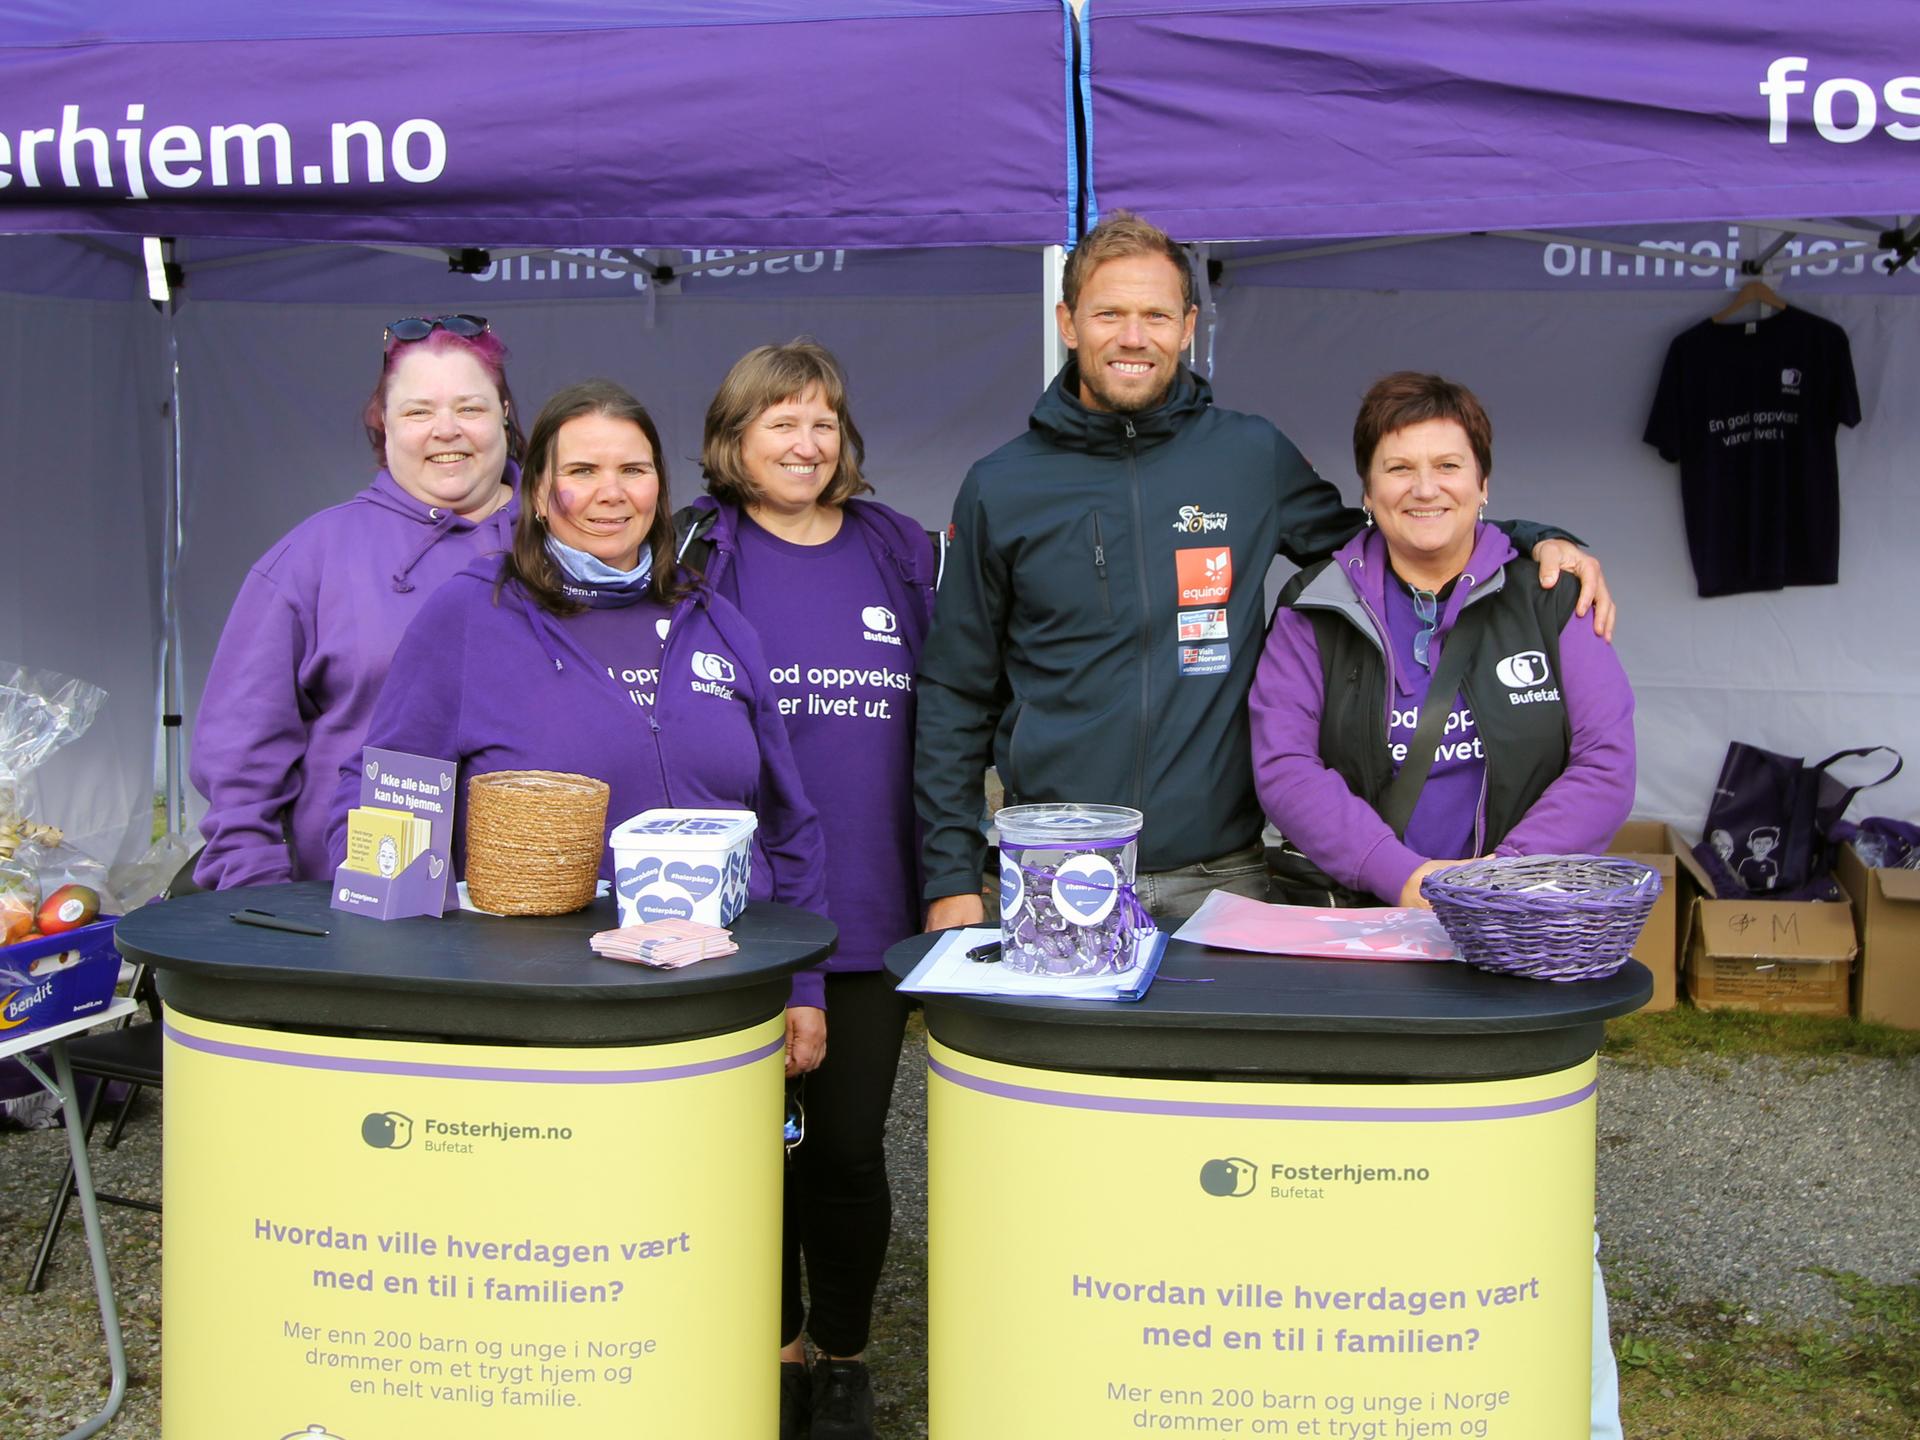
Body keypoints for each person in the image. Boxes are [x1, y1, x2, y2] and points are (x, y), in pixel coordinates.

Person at [914, 210, 1614, 930]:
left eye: (1155, 314)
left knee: (1228, 1051)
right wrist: (950, 875)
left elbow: (1388, 539)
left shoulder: (1249, 457)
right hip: (1059, 873)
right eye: (1109, 314)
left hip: (1222, 876)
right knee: (1044, 1051)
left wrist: (1530, 541)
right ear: (1067, 322)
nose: (1133, 337)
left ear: (1188, 326)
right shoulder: (1002, 486)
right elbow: (954, 692)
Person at [1248, 370, 1632, 1440]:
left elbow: (1604, 763)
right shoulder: (1314, 604)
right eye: (1398, 468)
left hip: (1510, 943)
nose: (1425, 488)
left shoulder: (1555, 594)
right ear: (1365, 490)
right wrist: (1410, 880)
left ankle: (1563, 1412)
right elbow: (1284, 767)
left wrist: (1494, 889)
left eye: (1446, 466)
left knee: (1529, 1190)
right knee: (1348, 1176)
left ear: (1485, 481)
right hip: (1361, 930)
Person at [326, 377, 828, 1009]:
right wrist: (398, 962)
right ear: (537, 491)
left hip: (730, 987)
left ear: (658, 489)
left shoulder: (716, 619)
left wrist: (805, 989)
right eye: (583, 470)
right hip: (546, 999)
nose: (611, 493)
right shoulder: (472, 614)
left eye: (633, 470)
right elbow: (384, 796)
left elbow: (789, 826)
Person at [676, 340, 935, 1440]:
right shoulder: (698, 546)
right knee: (744, 1149)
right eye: (779, 421)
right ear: (733, 440)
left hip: (876, 905)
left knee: (842, 1148)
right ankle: (769, 1346)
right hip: (737, 915)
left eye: (823, 421)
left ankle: (841, 1353)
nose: (805, 442)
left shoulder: (894, 546)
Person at [191, 314, 524, 890]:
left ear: (504, 415)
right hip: (360, 907)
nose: (446, 430)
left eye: (469, 408)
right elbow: (240, 758)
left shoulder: (569, 543)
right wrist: (263, 902)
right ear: (384, 424)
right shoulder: (313, 557)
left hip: (548, 907)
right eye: (418, 411)